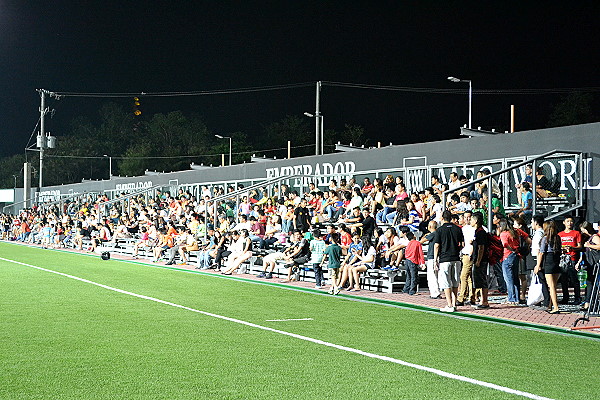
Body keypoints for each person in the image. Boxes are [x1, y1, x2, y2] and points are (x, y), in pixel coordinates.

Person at [433, 210, 464, 312]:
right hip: (456, 258)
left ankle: (450, 304)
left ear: (442, 218)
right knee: (455, 282)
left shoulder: (440, 230)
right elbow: (462, 244)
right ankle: (454, 304)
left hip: (445, 259)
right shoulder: (457, 229)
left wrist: (435, 260)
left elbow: (437, 245)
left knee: (446, 282)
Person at [534, 220, 563, 314]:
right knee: (554, 285)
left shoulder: (545, 239)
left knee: (551, 286)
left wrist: (538, 265)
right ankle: (551, 305)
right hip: (556, 261)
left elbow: (541, 252)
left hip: (548, 262)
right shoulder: (557, 237)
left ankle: (556, 307)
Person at [558, 216, 582, 304]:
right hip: (563, 258)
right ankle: (565, 298)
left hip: (572, 258)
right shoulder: (560, 234)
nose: (570, 223)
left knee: (574, 279)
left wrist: (573, 248)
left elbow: (580, 246)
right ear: (564, 222)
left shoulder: (576, 233)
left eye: (571, 221)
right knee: (564, 279)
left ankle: (577, 298)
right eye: (567, 221)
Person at [470, 212, 490, 309]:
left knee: (482, 280)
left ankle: (485, 301)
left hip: (481, 260)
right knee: (478, 280)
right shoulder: (478, 231)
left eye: (472, 219)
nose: (470, 221)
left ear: (476, 221)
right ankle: (480, 299)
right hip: (479, 259)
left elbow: (481, 248)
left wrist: (478, 260)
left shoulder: (481, 232)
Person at [498, 219, 520, 305]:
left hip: (507, 256)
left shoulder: (504, 234)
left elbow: (505, 244)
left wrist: (511, 249)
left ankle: (511, 298)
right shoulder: (514, 232)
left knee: (508, 278)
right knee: (515, 277)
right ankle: (516, 297)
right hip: (515, 256)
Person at [580, 221, 600, 311]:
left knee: (592, 282)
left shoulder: (594, 237)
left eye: (583, 230)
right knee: (589, 282)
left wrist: (589, 245)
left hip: (595, 263)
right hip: (590, 263)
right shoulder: (589, 237)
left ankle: (591, 302)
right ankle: (588, 302)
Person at [421, 220, 440, 299]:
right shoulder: (438, 233)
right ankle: (436, 292)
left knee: (431, 276)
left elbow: (421, 241)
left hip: (432, 256)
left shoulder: (433, 234)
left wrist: (426, 235)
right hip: (436, 256)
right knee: (435, 275)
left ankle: (435, 293)